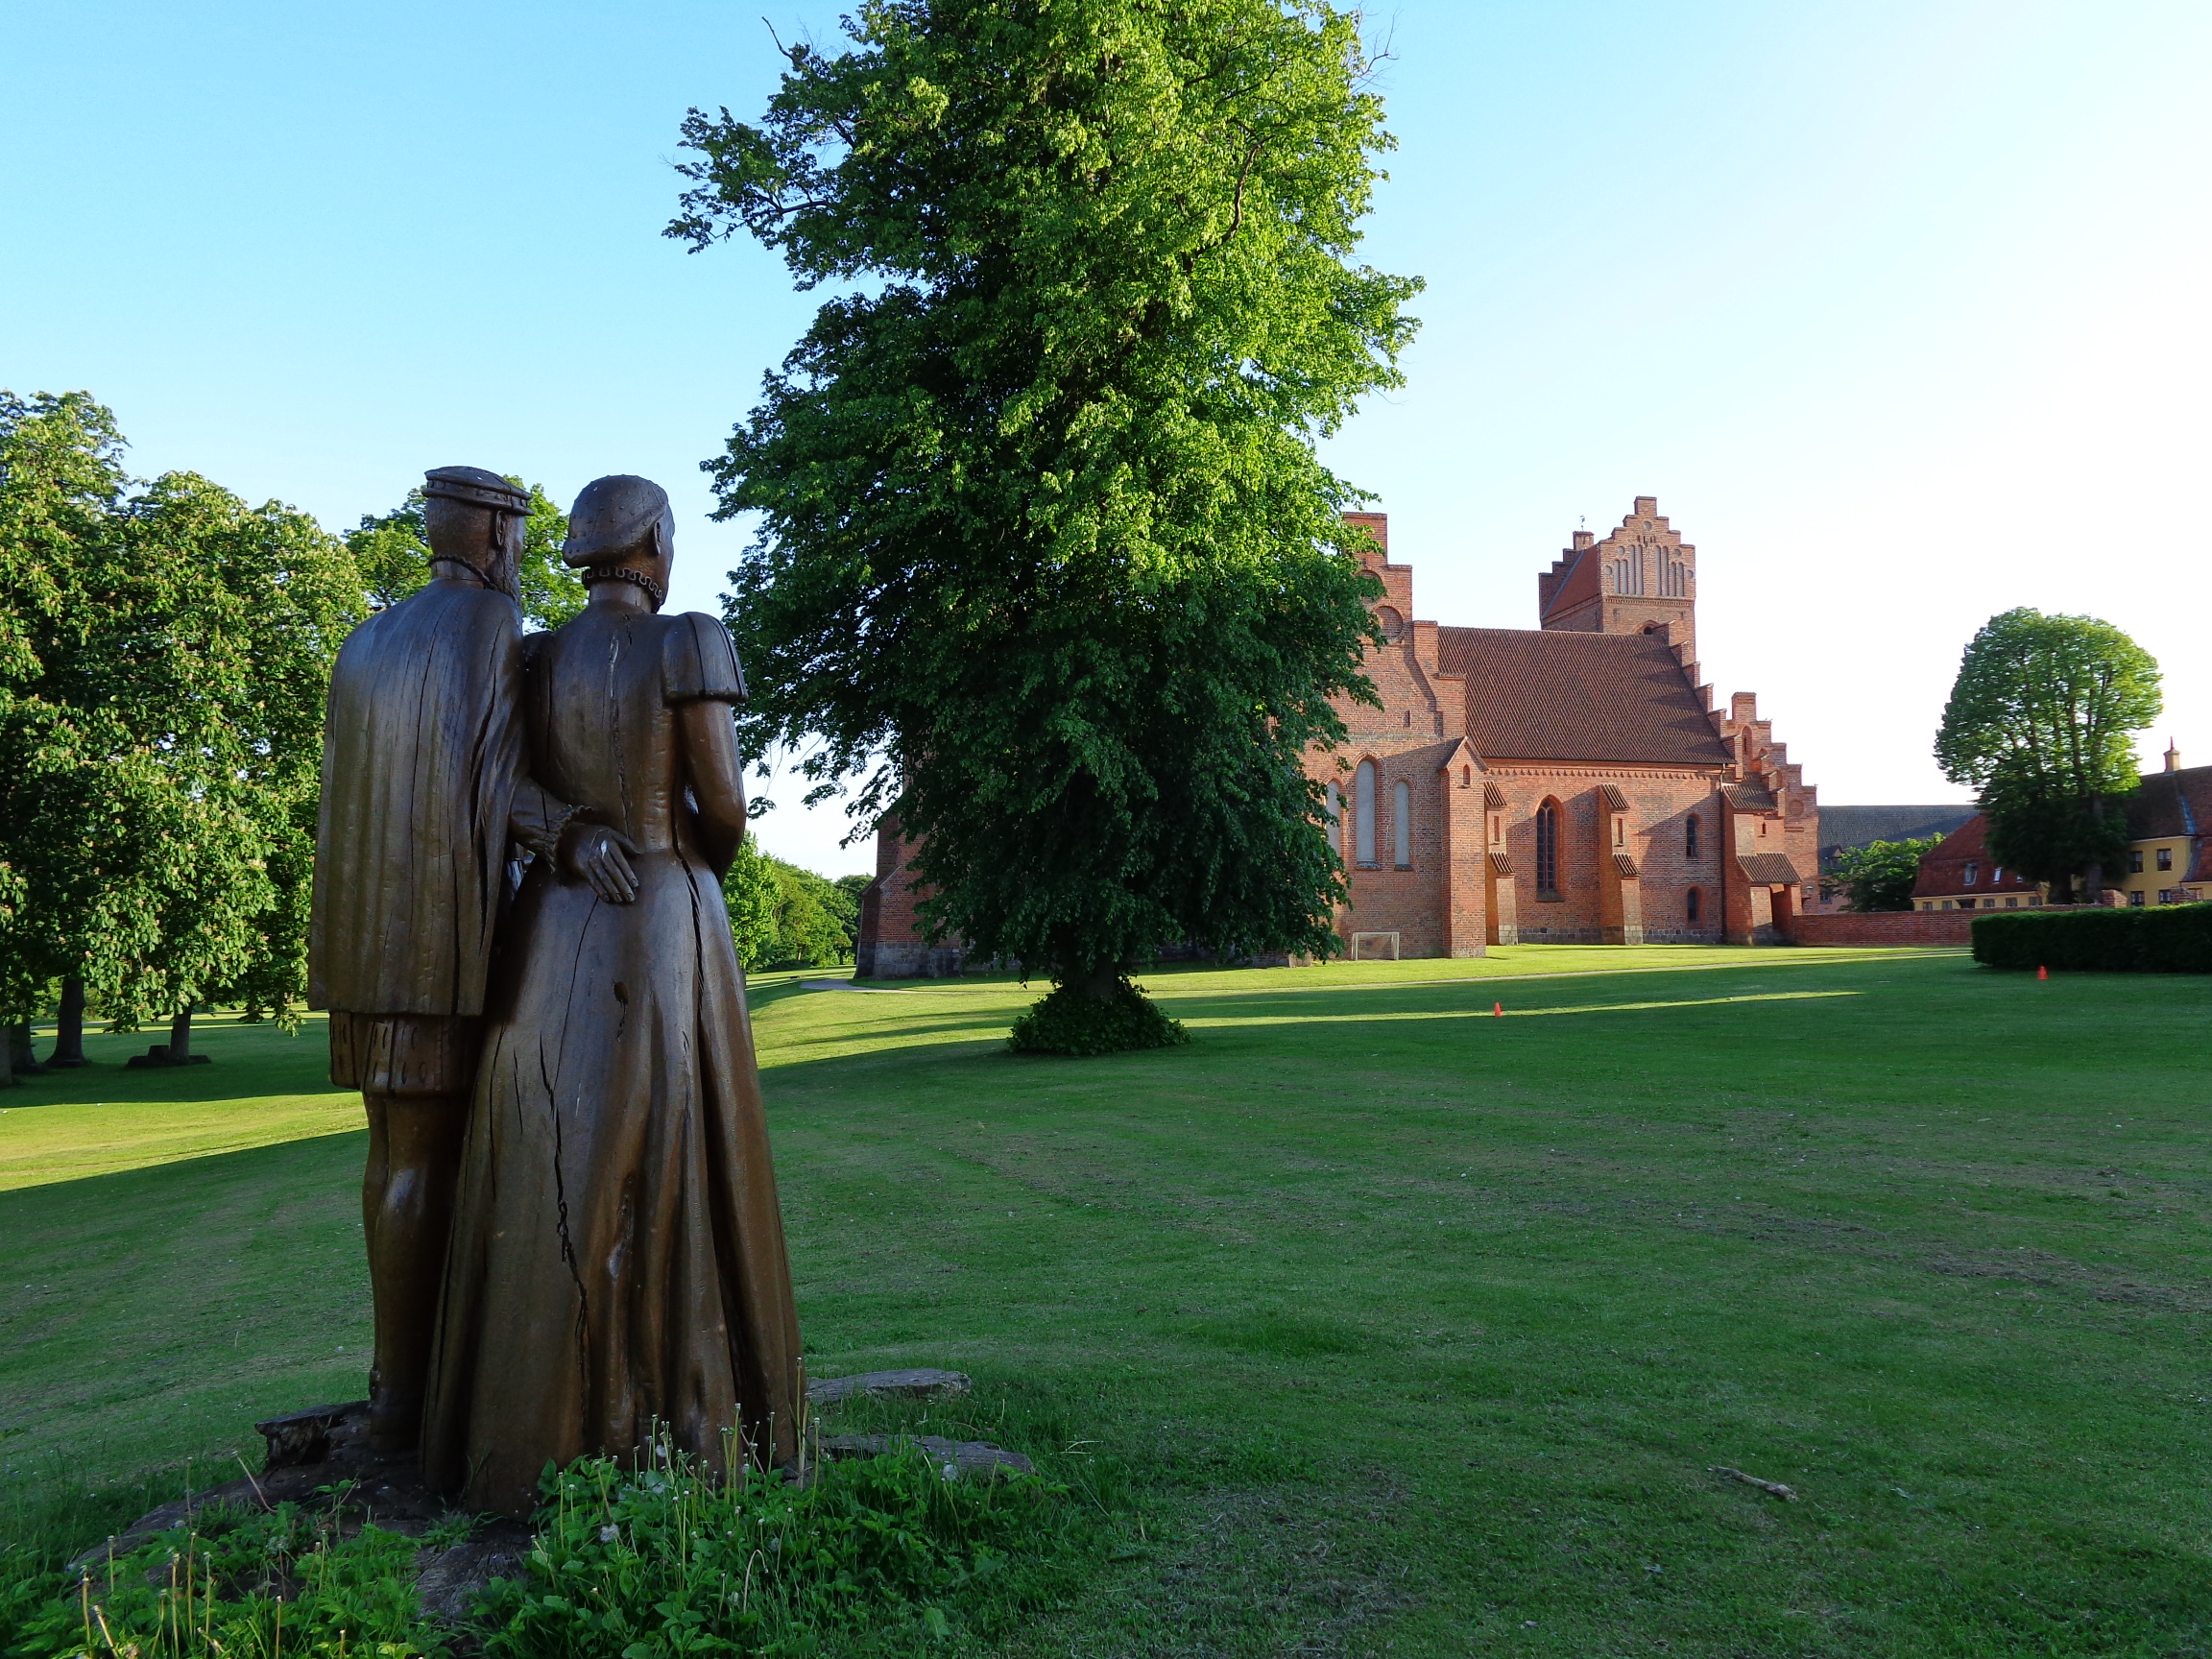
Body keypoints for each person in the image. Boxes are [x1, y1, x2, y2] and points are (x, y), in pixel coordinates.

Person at [423, 474, 803, 1517]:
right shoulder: (690, 639)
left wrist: (571, 834)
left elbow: (499, 787)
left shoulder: (535, 655)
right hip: (665, 907)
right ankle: (686, 1422)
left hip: (553, 926)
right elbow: (722, 804)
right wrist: (683, 854)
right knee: (673, 1146)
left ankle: (522, 1435)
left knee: (556, 1150)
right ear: (647, 544)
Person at [310, 466, 637, 1454]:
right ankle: (410, 1399)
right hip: (435, 947)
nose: (528, 561)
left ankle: (411, 1378)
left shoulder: (367, 641)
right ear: (496, 536)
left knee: (393, 1154)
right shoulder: (486, 626)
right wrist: (572, 832)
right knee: (423, 1163)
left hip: (364, 942)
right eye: (524, 542)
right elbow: (490, 767)